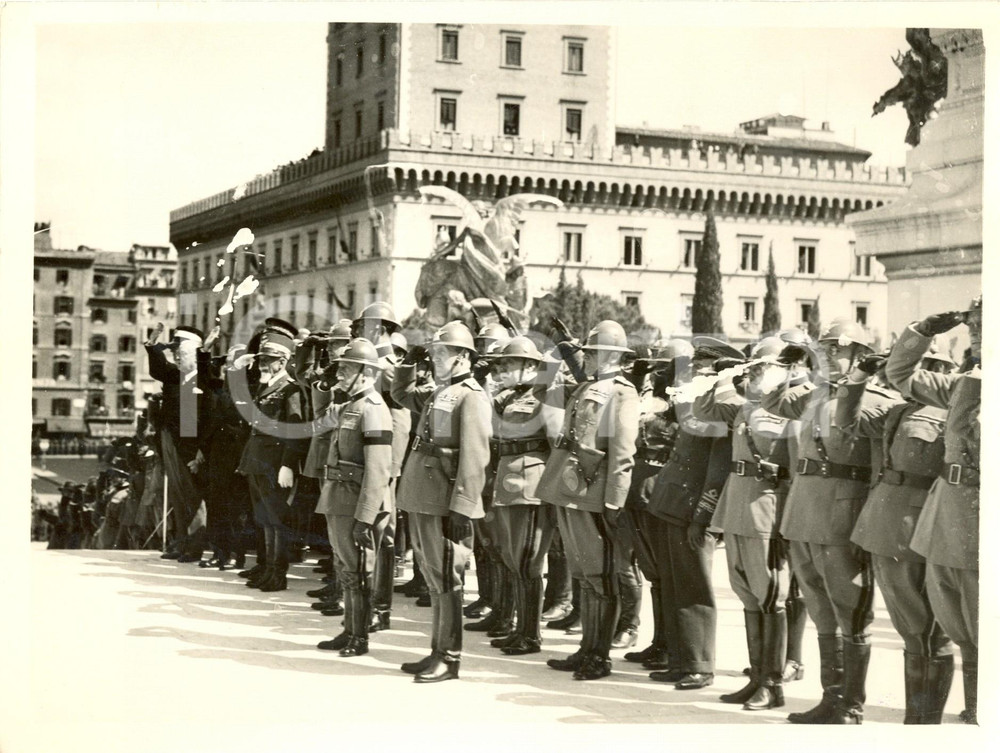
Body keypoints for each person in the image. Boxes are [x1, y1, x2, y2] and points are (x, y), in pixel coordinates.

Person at [762, 318, 898, 724]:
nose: (830, 358)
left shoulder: (876, 399)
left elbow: (880, 466)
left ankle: (851, 705)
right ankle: (830, 697)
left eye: (838, 350)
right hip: (804, 512)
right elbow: (768, 401)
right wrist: (785, 365)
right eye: (825, 350)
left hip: (843, 514)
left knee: (850, 608)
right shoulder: (812, 394)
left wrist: (869, 523)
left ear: (859, 354)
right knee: (821, 608)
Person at [837, 342, 958, 723]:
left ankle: (926, 722)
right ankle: (915, 719)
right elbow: (847, 419)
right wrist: (859, 376)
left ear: (934, 369)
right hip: (884, 525)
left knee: (932, 629)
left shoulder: (954, 409)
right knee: (910, 629)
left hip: (922, 526)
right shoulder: (898, 409)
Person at [885, 297, 981, 724]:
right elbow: (899, 374)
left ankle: (982, 711)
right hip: (947, 518)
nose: (977, 336)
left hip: (981, 520)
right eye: (974, 328)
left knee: (983, 625)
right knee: (957, 623)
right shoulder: (967, 383)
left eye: (985, 328)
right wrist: (923, 330)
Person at [693, 336, 793, 710]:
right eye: (751, 368)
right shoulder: (743, 408)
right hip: (736, 507)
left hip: (766, 510)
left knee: (770, 596)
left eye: (759, 368)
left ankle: (773, 683)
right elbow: (705, 408)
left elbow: (796, 466)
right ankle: (756, 676)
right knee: (747, 593)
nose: (753, 374)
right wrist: (721, 374)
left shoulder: (790, 410)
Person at [537, 320, 639, 681]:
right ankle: (586, 648)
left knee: (600, 574)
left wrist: (614, 502)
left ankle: (599, 655)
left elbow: (623, 452)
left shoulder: (623, 392)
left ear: (611, 354)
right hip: (570, 489)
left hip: (594, 494)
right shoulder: (588, 387)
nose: (589, 358)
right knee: (583, 572)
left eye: (594, 352)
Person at [391, 321, 492, 683]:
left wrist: (462, 508)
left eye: (440, 353)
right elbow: (400, 394)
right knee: (434, 576)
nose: (434, 359)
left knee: (448, 577)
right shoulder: (440, 391)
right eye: (432, 353)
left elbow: (476, 457)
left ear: (463, 357)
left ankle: (449, 658)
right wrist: (409, 363)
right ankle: (436, 650)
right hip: (422, 492)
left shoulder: (471, 395)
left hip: (443, 499)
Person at [642, 337, 733, 690]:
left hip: (692, 509)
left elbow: (717, 468)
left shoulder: (721, 411)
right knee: (676, 584)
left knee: (694, 587)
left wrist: (703, 516)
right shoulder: (695, 407)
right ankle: (679, 660)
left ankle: (699, 664)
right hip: (671, 503)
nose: (693, 371)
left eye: (701, 366)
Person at [315, 339, 394, 657]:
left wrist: (365, 517)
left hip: (358, 503)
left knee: (359, 568)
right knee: (345, 566)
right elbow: (321, 415)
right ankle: (349, 628)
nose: (340, 374)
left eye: (346, 368)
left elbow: (378, 471)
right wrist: (321, 383)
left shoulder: (373, 409)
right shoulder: (351, 405)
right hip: (339, 499)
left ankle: (360, 637)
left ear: (365, 372)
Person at [487, 336, 560, 655]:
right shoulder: (505, 397)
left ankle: (531, 635)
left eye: (509, 363)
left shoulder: (546, 395)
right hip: (508, 483)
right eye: (501, 364)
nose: (501, 369)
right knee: (513, 561)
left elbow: (557, 442)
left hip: (531, 486)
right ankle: (519, 628)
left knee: (529, 562)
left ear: (531, 366)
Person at [621, 340, 684, 669]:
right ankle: (659, 642)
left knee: (665, 573)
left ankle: (670, 645)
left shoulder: (678, 405)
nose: (654, 374)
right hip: (638, 490)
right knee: (654, 573)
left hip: (658, 492)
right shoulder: (648, 401)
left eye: (661, 368)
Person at [235, 328, 309, 592]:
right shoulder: (265, 387)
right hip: (257, 461)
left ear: (283, 361)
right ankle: (267, 568)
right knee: (264, 518)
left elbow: (295, 428)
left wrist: (288, 465)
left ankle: (278, 573)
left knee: (277, 519)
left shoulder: (291, 390)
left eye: (268, 360)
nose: (262, 364)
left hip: (275, 464)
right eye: (261, 359)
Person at [352, 302, 411, 633]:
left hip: (382, 459)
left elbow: (401, 416)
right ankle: (365, 601)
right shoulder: (370, 361)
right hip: (362, 454)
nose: (359, 330)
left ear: (377, 328)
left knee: (381, 532)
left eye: (363, 325)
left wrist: (391, 464)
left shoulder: (388, 365)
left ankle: (380, 607)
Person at [144, 323, 208, 560]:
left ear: (193, 351)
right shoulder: (175, 374)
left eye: (179, 350)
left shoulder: (203, 376)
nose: (174, 355)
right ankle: (183, 543)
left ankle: (195, 545)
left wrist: (201, 449)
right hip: (171, 439)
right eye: (174, 352)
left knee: (192, 495)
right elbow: (158, 369)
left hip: (190, 444)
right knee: (178, 495)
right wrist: (152, 347)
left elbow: (206, 418)